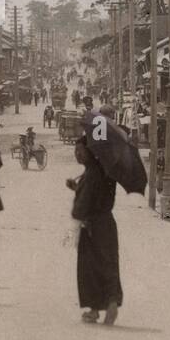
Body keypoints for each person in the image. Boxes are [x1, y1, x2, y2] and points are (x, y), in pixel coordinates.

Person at [67, 134, 122, 325]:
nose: (77, 155)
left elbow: (82, 206)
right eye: (76, 151)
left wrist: (77, 208)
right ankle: (112, 303)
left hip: (92, 228)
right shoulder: (103, 171)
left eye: (80, 151)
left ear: (90, 152)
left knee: (89, 269)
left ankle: (93, 310)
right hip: (107, 223)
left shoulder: (90, 174)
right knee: (108, 265)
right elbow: (98, 196)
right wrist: (77, 188)